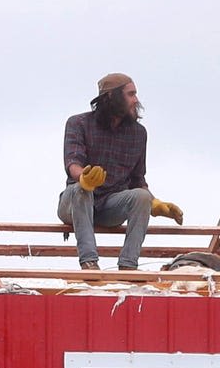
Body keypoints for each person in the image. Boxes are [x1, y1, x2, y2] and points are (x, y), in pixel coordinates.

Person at [59, 73, 157, 271]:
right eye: (131, 94)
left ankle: (128, 265)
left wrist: (154, 203)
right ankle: (89, 263)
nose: (136, 100)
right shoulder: (78, 123)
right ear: (112, 97)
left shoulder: (139, 133)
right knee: (81, 190)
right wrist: (84, 177)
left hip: (110, 207)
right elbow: (73, 163)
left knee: (142, 196)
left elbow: (138, 179)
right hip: (74, 204)